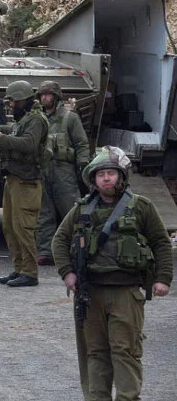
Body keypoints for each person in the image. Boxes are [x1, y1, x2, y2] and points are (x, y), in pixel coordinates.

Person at [52, 146, 172, 400]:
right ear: (93, 180)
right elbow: (59, 240)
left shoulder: (141, 207)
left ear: (121, 176)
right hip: (90, 292)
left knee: (125, 351)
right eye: (101, 174)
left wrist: (163, 279)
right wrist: (67, 273)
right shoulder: (82, 209)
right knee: (95, 353)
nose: (106, 178)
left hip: (126, 293)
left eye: (111, 173)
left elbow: (161, 242)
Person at [0, 80, 48, 287]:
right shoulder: (25, 119)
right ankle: (19, 268)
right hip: (14, 178)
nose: (12, 105)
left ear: (25, 99)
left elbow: (29, 144)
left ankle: (30, 272)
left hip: (27, 181)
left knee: (23, 228)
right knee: (10, 227)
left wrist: (2, 138)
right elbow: (16, 131)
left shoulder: (36, 120)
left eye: (15, 101)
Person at [35, 80, 90, 266]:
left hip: (63, 170)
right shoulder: (37, 119)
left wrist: (83, 164)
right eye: (42, 95)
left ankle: (79, 250)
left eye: (48, 94)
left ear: (56, 97)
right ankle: (46, 251)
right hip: (43, 169)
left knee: (72, 211)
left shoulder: (69, 118)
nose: (44, 98)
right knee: (44, 213)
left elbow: (82, 143)